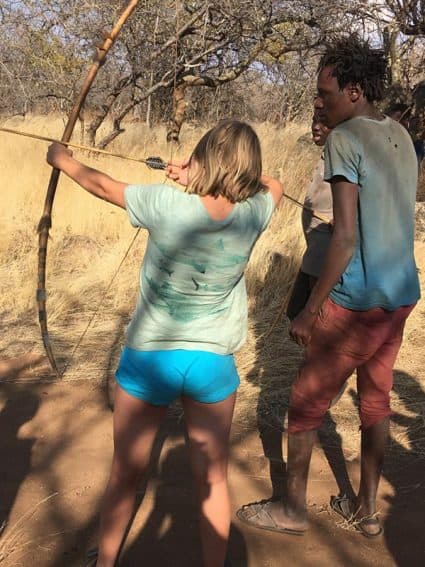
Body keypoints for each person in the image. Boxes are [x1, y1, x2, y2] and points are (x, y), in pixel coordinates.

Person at [46, 119, 283, 567]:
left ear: (204, 156)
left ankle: (106, 561)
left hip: (151, 356)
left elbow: (101, 186)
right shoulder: (254, 213)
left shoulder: (164, 202)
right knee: (212, 478)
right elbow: (274, 182)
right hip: (212, 362)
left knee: (125, 473)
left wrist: (63, 160)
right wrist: (208, 176)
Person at [238, 37, 420, 538]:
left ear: (355, 91)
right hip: (399, 296)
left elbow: (343, 235)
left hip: (355, 301)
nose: (318, 102)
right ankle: (365, 510)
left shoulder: (345, 138)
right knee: (376, 402)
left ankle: (292, 510)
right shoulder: (401, 135)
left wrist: (311, 309)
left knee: (305, 401)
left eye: (325, 93)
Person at [286, 115, 332, 320]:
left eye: (324, 122)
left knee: (314, 317)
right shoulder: (327, 153)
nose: (315, 127)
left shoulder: (346, 155)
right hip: (314, 250)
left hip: (326, 254)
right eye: (313, 120)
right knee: (295, 311)